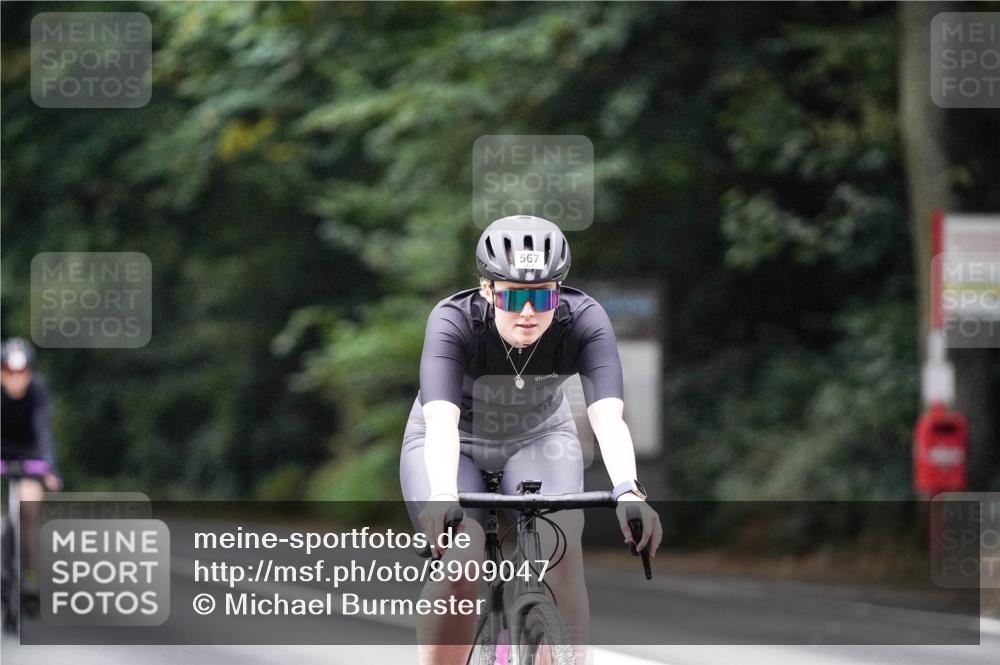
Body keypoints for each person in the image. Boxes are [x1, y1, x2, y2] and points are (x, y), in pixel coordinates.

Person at [400, 215, 663, 665]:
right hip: (452, 438)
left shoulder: (585, 320)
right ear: (487, 289)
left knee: (560, 547)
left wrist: (629, 490)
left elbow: (608, 417)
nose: (527, 311)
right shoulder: (453, 320)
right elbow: (441, 420)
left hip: (540, 436)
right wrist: (443, 493)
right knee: (461, 556)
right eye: (512, 295)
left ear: (557, 293)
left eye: (540, 296)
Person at [1, 338, 62, 590]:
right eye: (9, 372)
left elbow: (42, 430)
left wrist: (49, 468)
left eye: (22, 372)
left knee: (30, 507)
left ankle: (30, 574)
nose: (16, 379)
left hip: (29, 454)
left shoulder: (38, 389)